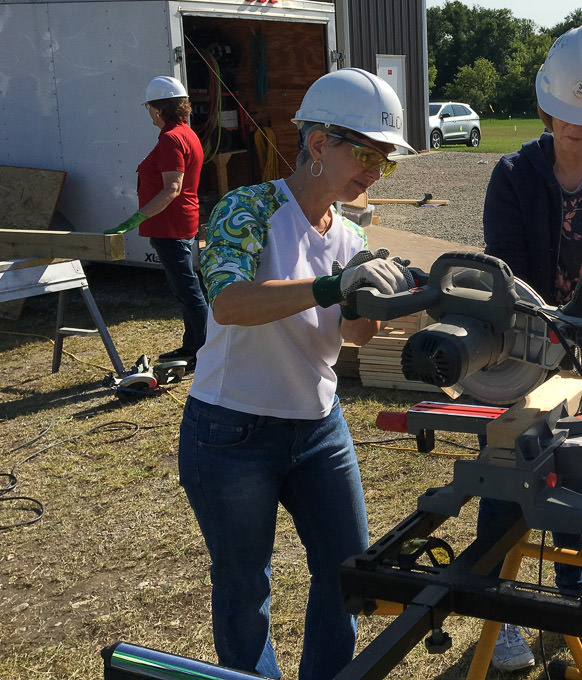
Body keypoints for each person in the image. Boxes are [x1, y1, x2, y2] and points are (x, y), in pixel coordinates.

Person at [178, 68, 415, 680]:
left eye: (385, 162)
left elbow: (350, 336)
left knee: (347, 573)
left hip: (318, 429)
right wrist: (333, 285)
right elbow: (228, 304)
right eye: (366, 153)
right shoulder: (247, 209)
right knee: (244, 586)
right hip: (232, 431)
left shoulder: (353, 235)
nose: (374, 171)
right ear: (317, 144)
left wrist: (379, 306)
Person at [481, 25, 582, 671]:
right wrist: (548, 320)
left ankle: (575, 596)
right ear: (547, 105)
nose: (577, 130)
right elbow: (505, 265)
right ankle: (502, 607)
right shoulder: (514, 172)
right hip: (520, 348)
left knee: (581, 469)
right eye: (568, 117)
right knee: (507, 470)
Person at [104, 76, 207, 365]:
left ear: (159, 109)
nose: (148, 112)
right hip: (180, 222)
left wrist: (136, 218)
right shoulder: (185, 133)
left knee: (187, 290)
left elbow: (172, 188)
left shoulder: (172, 138)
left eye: (149, 107)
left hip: (170, 225)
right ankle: (196, 346)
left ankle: (202, 350)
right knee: (188, 289)